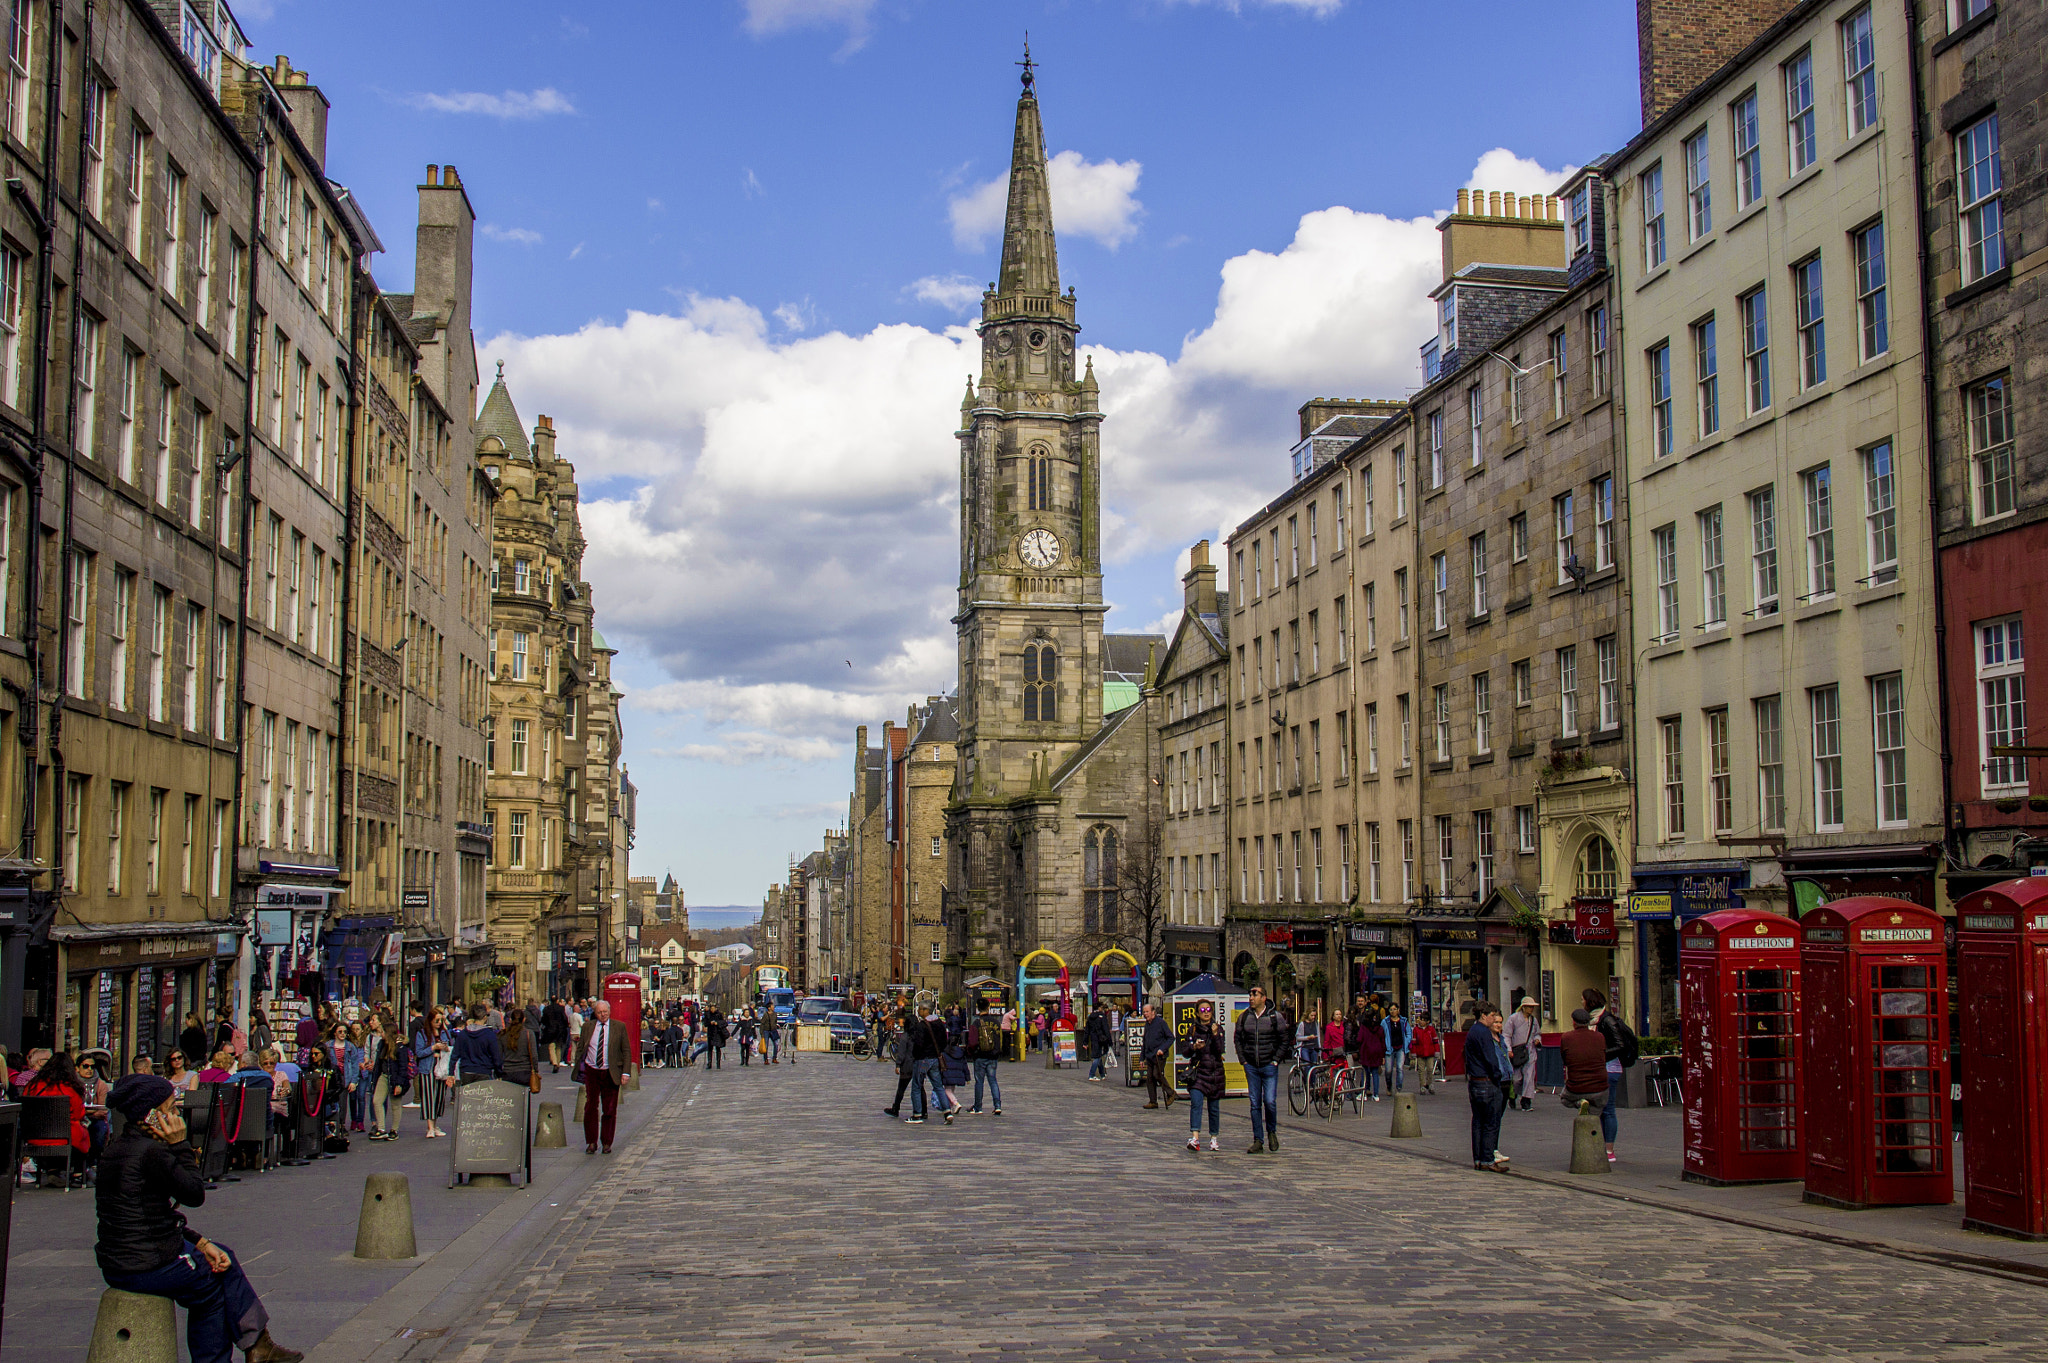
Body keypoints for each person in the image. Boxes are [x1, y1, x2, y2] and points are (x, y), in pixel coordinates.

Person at [95, 1074, 304, 1363]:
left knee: (223, 1255)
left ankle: (259, 1345)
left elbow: (154, 1215)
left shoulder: (117, 1148)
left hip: (120, 1260)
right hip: (145, 1264)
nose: (177, 1115)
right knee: (211, 1285)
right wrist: (180, 1144)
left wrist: (201, 1242)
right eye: (170, 1109)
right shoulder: (151, 1152)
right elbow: (194, 1194)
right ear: (152, 1116)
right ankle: (252, 1348)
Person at [1234, 985, 1291, 1154]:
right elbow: (1238, 1039)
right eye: (1250, 994)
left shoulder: (1275, 1017)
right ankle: (1258, 1139)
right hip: (1251, 1065)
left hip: (1268, 1065)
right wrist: (1243, 1060)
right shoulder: (1244, 1017)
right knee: (1254, 1104)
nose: (1251, 997)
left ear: (1263, 998)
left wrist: (1276, 1059)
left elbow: (1284, 1039)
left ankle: (1271, 1132)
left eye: (1255, 994)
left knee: (1270, 1102)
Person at [24, 1052, 93, 1180]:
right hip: (66, 1138)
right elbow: (79, 1114)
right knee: (84, 1131)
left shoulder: (32, 1086)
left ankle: (52, 1170)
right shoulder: (69, 1088)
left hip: (36, 1137)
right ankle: (78, 1172)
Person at [1463, 1002, 1513, 1171]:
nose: (1494, 1019)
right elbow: (1491, 1059)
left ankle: (1478, 1158)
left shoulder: (1473, 1031)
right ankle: (1487, 1159)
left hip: (1475, 1081)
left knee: (1478, 1121)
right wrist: (1497, 1076)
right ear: (1483, 1015)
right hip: (1486, 1081)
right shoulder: (1484, 1033)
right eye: (1492, 1016)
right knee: (1491, 1122)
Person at [576, 1000, 630, 1154]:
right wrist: (579, 1066)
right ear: (595, 1013)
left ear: (609, 1011)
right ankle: (591, 1142)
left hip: (610, 1071)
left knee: (610, 1109)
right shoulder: (587, 1027)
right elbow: (581, 1048)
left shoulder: (619, 1027)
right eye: (599, 1012)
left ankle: (607, 1142)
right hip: (592, 1070)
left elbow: (626, 1050)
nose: (602, 1015)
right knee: (590, 1107)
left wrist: (625, 1072)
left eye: (605, 1012)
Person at [1560, 1007, 1613, 1157]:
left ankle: (1579, 1103)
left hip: (1576, 1087)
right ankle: (1595, 1150)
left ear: (1574, 1023)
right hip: (1600, 1087)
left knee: (1564, 1098)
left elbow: (1565, 1060)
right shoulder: (1600, 1037)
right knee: (1596, 1112)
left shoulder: (1566, 1037)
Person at [1586, 990, 1626, 1164]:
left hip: (1609, 1068)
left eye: (1583, 999)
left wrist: (1600, 1055)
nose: (1581, 1002)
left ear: (1590, 1002)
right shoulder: (1593, 1020)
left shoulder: (1606, 1020)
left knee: (1608, 1109)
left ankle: (1609, 1150)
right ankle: (1601, 1145)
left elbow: (1619, 1045)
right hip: (1599, 1068)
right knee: (1599, 1109)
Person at [1182, 1014, 1227, 1152]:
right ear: (1198, 1013)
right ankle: (1195, 1137)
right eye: (1202, 1009)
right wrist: (1194, 1047)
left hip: (1214, 1073)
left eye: (1208, 1009)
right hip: (1199, 1073)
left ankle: (1214, 1138)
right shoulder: (1193, 1029)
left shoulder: (1217, 1029)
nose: (1206, 1012)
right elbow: (1185, 1052)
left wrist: (1214, 1034)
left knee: (1214, 1108)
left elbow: (1220, 1050)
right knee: (1196, 1103)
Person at [413, 1007, 449, 1139]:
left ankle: (435, 1125)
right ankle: (430, 1127)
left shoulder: (444, 1033)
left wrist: (445, 1048)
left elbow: (450, 1046)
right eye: (436, 1020)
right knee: (428, 1096)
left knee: (439, 1097)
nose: (439, 1023)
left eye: (441, 1020)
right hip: (428, 1067)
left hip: (441, 1067)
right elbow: (419, 1052)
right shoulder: (422, 1034)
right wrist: (433, 1048)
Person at [449, 1003, 504, 1084]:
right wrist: (499, 1073)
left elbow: (455, 1054)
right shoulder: (489, 1035)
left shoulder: (463, 1034)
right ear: (485, 1017)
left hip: (466, 1070)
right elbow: (496, 1056)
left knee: (467, 1095)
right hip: (484, 1070)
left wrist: (451, 1073)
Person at [1505, 995, 1542, 1111]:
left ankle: (1526, 1100)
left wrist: (1537, 1040)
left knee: (1529, 1076)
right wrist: (1509, 1050)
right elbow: (1507, 1035)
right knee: (1517, 1078)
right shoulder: (1513, 1019)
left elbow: (1537, 1033)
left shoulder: (1533, 1020)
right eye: (1529, 1007)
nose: (1531, 1009)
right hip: (1517, 1051)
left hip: (1530, 1051)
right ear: (1523, 1007)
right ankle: (1513, 1095)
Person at [969, 1002, 1005, 1115]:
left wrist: (972, 1053)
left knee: (979, 1081)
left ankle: (978, 1107)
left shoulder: (976, 1023)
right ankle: (997, 1105)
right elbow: (1000, 1039)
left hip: (980, 1055)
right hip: (993, 1056)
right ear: (988, 1008)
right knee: (993, 1080)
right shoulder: (996, 1022)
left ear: (978, 1009)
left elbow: (972, 1041)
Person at [1138, 1003, 1176, 1109]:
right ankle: (1153, 1101)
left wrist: (1162, 1049)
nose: (1145, 1014)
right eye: (1144, 1012)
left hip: (1159, 1055)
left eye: (1147, 1012)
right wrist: (1142, 1058)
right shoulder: (1147, 1024)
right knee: (1149, 1078)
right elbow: (1145, 1042)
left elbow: (1170, 1038)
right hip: (1150, 1055)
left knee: (1156, 1074)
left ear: (1153, 1012)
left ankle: (1171, 1092)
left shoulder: (1161, 1023)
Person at [882, 1010, 918, 1119]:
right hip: (917, 1064)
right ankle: (923, 1110)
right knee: (919, 1088)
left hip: (907, 1065)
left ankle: (895, 1108)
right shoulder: (919, 1036)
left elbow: (901, 1053)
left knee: (901, 1089)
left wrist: (898, 1064)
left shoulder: (905, 1036)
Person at [500, 1007, 540, 1094]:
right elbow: (534, 1055)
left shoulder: (503, 1034)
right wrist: (535, 1070)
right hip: (524, 1071)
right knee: (524, 1098)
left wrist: (499, 1072)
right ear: (524, 1019)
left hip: (508, 1071)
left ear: (510, 1019)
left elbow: (499, 1055)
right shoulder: (529, 1034)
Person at [1353, 1007, 1387, 1101]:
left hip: (1366, 1050)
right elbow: (1383, 1041)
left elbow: (1359, 1039)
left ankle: (1364, 1093)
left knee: (1365, 1072)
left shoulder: (1364, 1027)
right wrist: (1383, 1055)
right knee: (1375, 1073)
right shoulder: (1379, 1028)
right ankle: (1376, 1095)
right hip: (1377, 1051)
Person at [1410, 1012, 1442, 1094]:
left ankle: (1429, 1083)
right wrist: (1413, 1052)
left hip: (1430, 1052)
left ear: (1427, 1022)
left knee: (1430, 1069)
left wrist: (1437, 1051)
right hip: (1420, 1053)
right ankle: (1422, 1085)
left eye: (1423, 1020)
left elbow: (1435, 1041)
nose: (1421, 1021)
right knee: (1421, 1070)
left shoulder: (1431, 1029)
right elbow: (1413, 1042)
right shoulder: (1416, 1030)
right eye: (1420, 1019)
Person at [1383, 1005, 1411, 1094]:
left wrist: (1406, 1043)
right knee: (1388, 1070)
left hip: (1400, 1048)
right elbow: (1382, 1034)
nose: (1393, 1011)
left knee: (1400, 1068)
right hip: (1389, 1048)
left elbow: (1409, 1033)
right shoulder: (1385, 1022)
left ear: (1398, 1010)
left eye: (1395, 1009)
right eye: (1391, 1009)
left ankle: (1399, 1088)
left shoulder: (1404, 1021)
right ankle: (1389, 1086)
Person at [541, 997, 571, 1072]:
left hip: (550, 1030)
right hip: (560, 1030)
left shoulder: (546, 1009)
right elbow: (564, 1019)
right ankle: (557, 1063)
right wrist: (566, 1026)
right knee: (558, 1047)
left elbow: (543, 1020)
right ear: (557, 1001)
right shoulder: (561, 1008)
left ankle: (554, 1063)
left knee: (551, 1047)